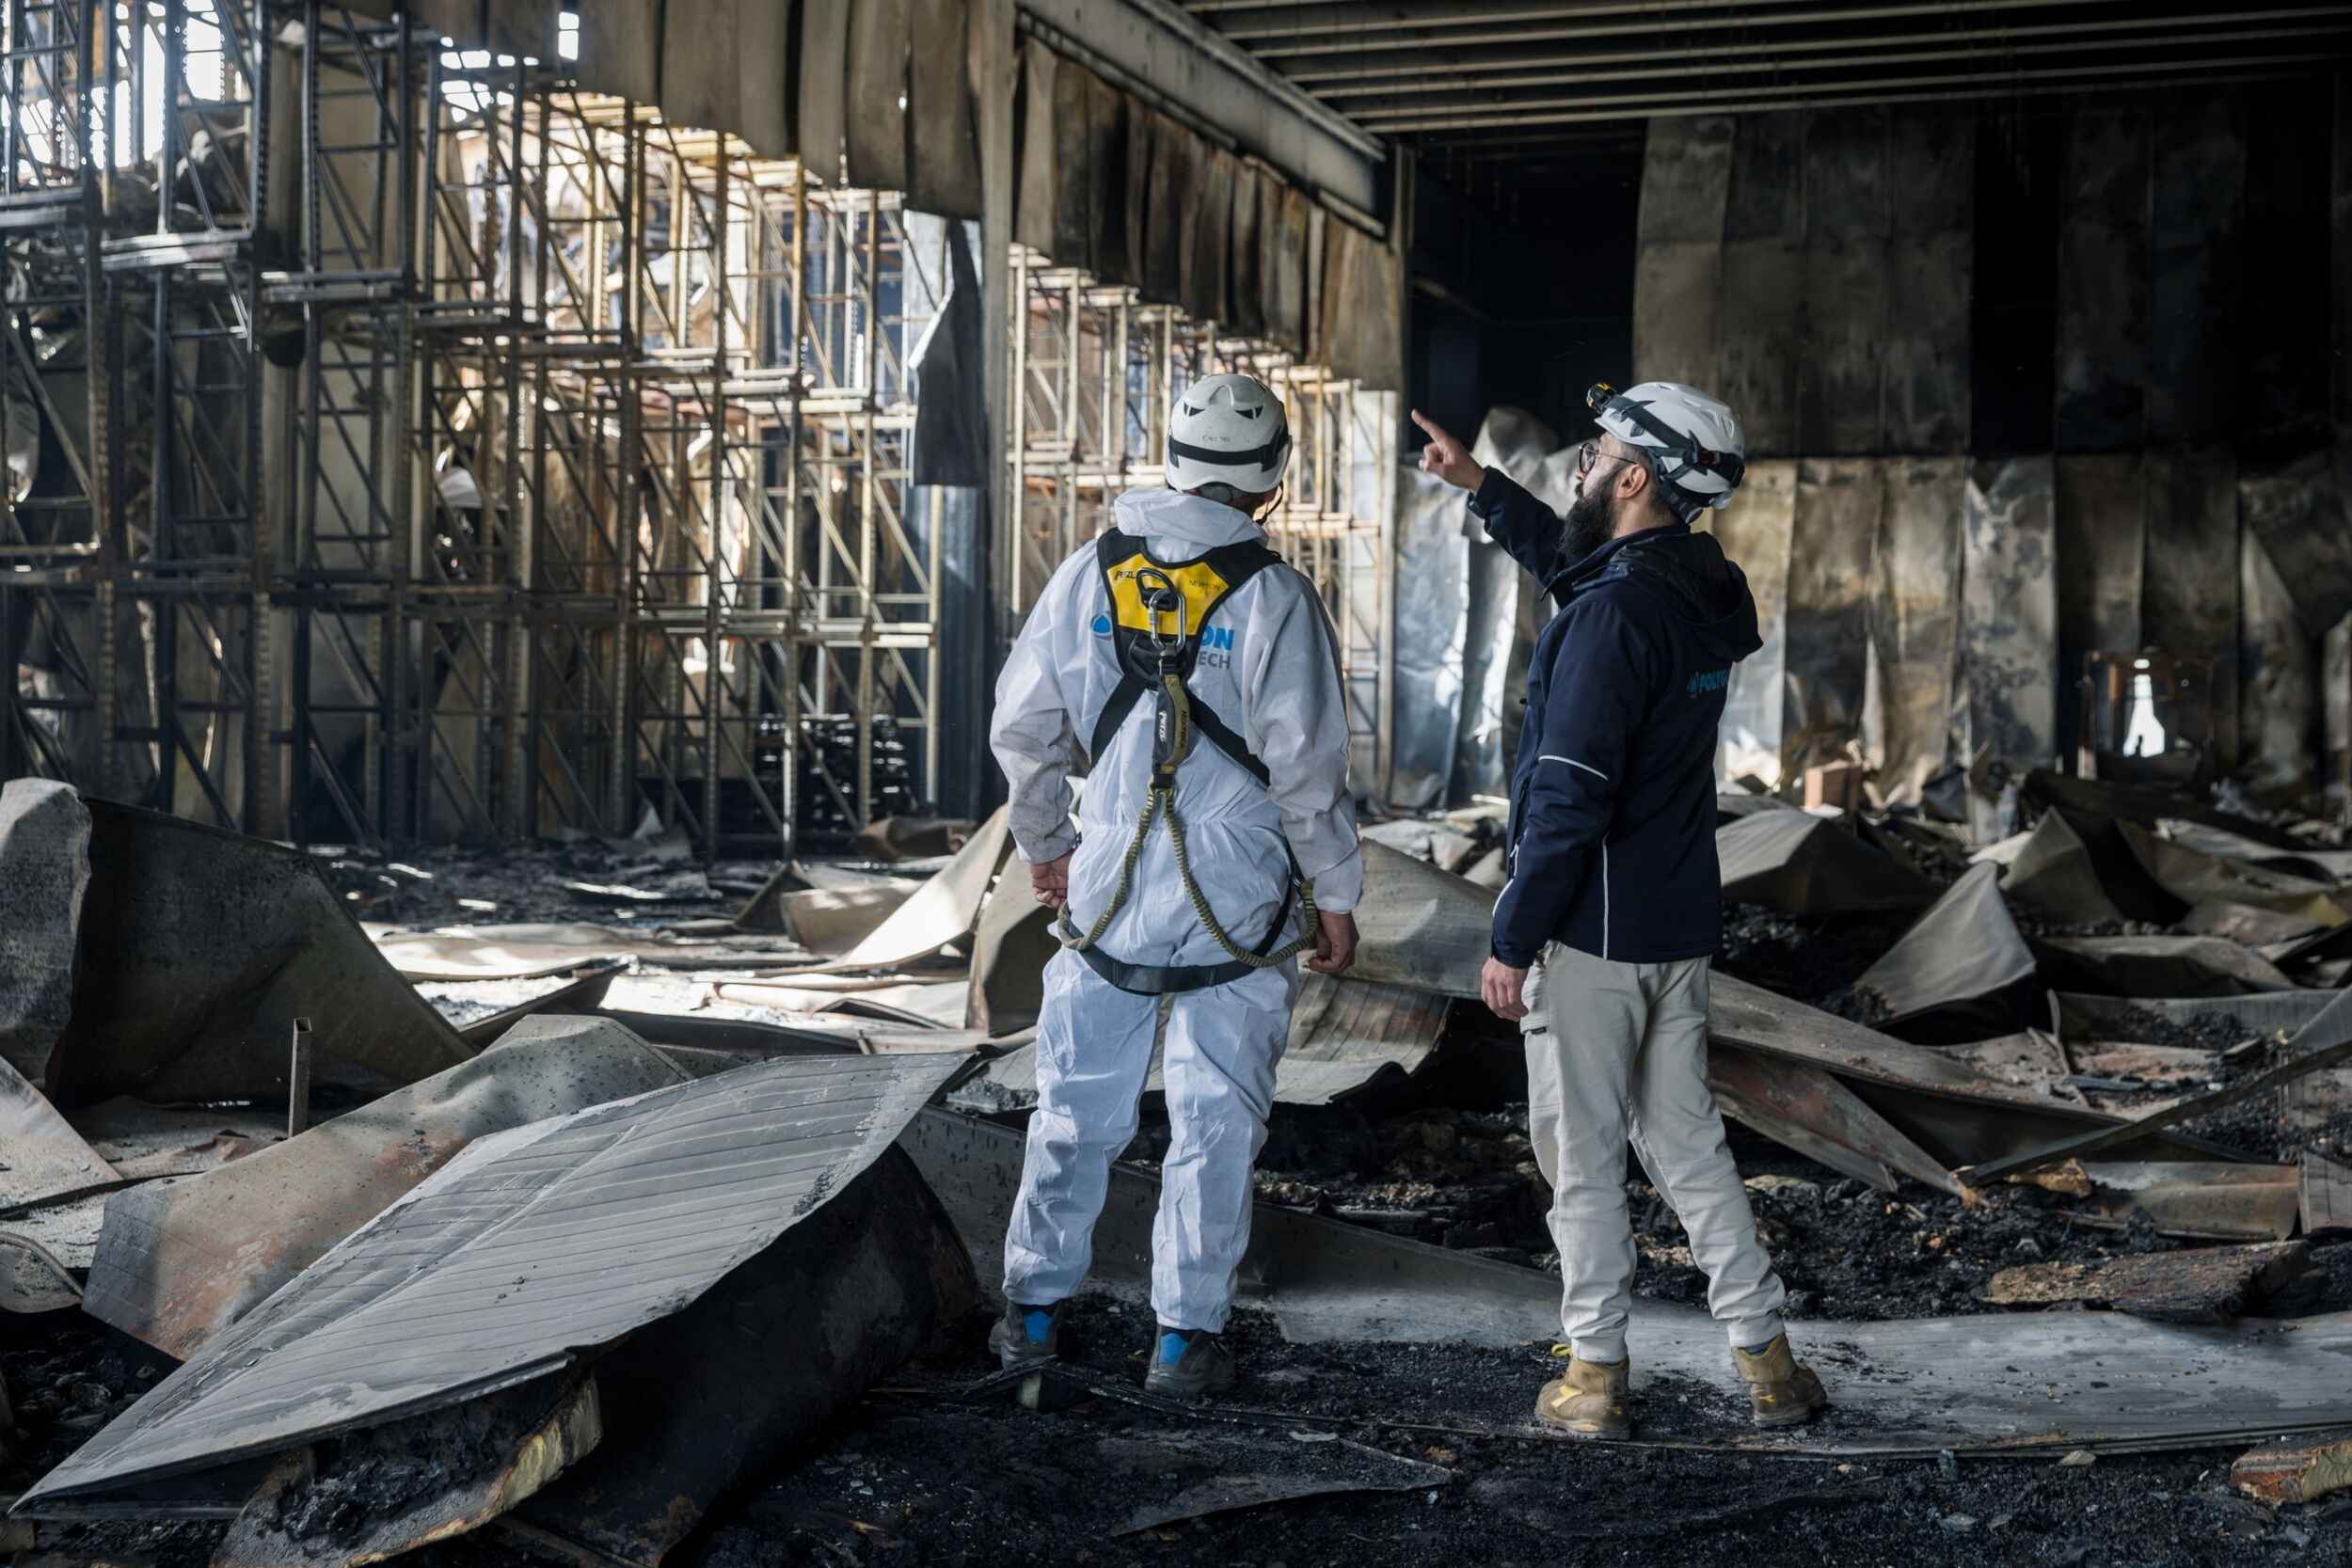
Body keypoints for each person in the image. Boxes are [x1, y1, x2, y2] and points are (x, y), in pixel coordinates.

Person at [1409, 384, 1827, 1439]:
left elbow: (1566, 795)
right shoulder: (1693, 588)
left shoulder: (1606, 619)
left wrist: (1512, 939)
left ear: (1635, 476)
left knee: (1582, 1160)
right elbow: (1581, 564)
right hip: (1672, 924)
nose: (1582, 466)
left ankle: (1593, 1374)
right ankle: (1770, 1363)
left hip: (1591, 936)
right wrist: (1480, 485)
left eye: (1595, 454)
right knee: (1688, 1146)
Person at [988, 372, 1362, 1401]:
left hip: (1105, 879)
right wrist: (1335, 891)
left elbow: (1023, 729)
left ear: (1172, 459)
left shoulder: (1087, 574)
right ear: (1274, 477)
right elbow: (1308, 770)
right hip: (1236, 891)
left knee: (1073, 1104)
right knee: (1215, 1120)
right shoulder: (1276, 597)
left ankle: (1031, 1316)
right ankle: (1182, 1342)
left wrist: (1046, 842)